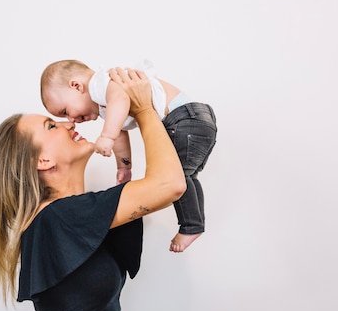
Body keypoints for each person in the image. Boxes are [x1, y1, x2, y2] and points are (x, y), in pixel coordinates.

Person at [0, 68, 186, 311]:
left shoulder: (70, 216)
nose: (69, 123)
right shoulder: (60, 218)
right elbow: (170, 184)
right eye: (52, 126)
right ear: (43, 161)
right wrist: (144, 108)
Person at [40, 59, 217, 253]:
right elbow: (121, 133)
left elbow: (121, 101)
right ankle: (194, 224)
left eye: (65, 111)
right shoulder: (104, 103)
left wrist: (106, 135)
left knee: (178, 174)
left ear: (76, 86)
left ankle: (191, 226)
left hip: (183, 119)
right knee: (188, 176)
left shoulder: (98, 84)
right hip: (198, 118)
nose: (71, 120)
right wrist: (124, 166)